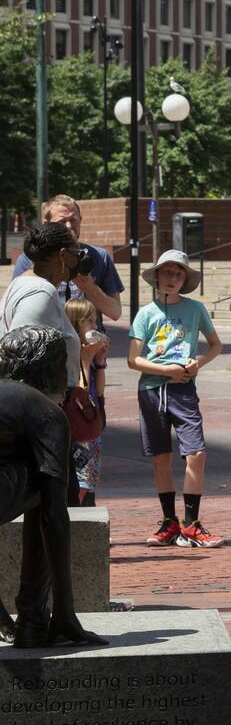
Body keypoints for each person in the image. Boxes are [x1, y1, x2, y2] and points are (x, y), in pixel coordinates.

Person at [0, 325, 106, 648]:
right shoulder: (46, 413)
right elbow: (55, 517)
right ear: (51, 369)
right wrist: (66, 608)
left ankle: (32, 621)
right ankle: (36, 617)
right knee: (47, 487)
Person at [128, 250, 224, 549]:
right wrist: (164, 370)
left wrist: (198, 362)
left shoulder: (196, 309)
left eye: (178, 274)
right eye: (167, 272)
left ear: (185, 280)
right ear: (157, 276)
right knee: (161, 458)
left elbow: (215, 345)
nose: (172, 278)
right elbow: (133, 360)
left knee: (196, 453)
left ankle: (192, 524)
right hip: (152, 390)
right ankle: (170, 522)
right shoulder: (146, 313)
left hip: (183, 390)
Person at [12, 195, 124, 325]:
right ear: (46, 224)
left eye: (73, 220)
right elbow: (19, 308)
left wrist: (90, 288)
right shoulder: (29, 259)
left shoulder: (99, 256)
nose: (69, 226)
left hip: (89, 342)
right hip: (49, 340)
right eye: (62, 221)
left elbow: (115, 312)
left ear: (80, 220)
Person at [0, 223, 83, 392]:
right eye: (78, 254)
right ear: (63, 255)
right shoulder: (41, 293)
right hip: (39, 408)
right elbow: (23, 361)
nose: (80, 260)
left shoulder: (23, 283)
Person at [64, 299, 108, 506]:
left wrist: (100, 361)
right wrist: (85, 360)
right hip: (79, 426)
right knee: (80, 480)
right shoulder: (71, 353)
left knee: (89, 479)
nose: (94, 327)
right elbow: (79, 394)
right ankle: (74, 516)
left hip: (91, 423)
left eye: (95, 321)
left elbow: (98, 392)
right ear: (74, 324)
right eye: (88, 321)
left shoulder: (87, 353)